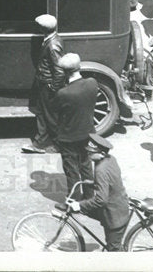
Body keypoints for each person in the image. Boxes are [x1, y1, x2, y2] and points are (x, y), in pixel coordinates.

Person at [66, 133, 131, 251]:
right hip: (119, 204)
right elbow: (111, 180)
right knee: (87, 210)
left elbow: (101, 200)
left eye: (91, 153)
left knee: (113, 251)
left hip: (114, 216)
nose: (88, 154)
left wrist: (79, 204)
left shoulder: (100, 170)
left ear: (101, 153)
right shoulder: (111, 160)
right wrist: (93, 182)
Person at [51, 53, 98, 195]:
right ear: (79, 67)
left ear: (64, 72)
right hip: (88, 133)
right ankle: (89, 197)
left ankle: (74, 201)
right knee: (86, 166)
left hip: (68, 138)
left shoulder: (63, 93)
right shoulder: (92, 83)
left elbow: (55, 111)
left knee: (71, 170)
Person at [24, 14, 65, 154]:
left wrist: (53, 87)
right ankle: (40, 143)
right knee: (41, 113)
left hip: (47, 85)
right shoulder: (51, 39)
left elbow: (59, 69)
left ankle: (60, 145)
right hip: (44, 83)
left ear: (43, 29)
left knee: (50, 116)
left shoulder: (53, 45)